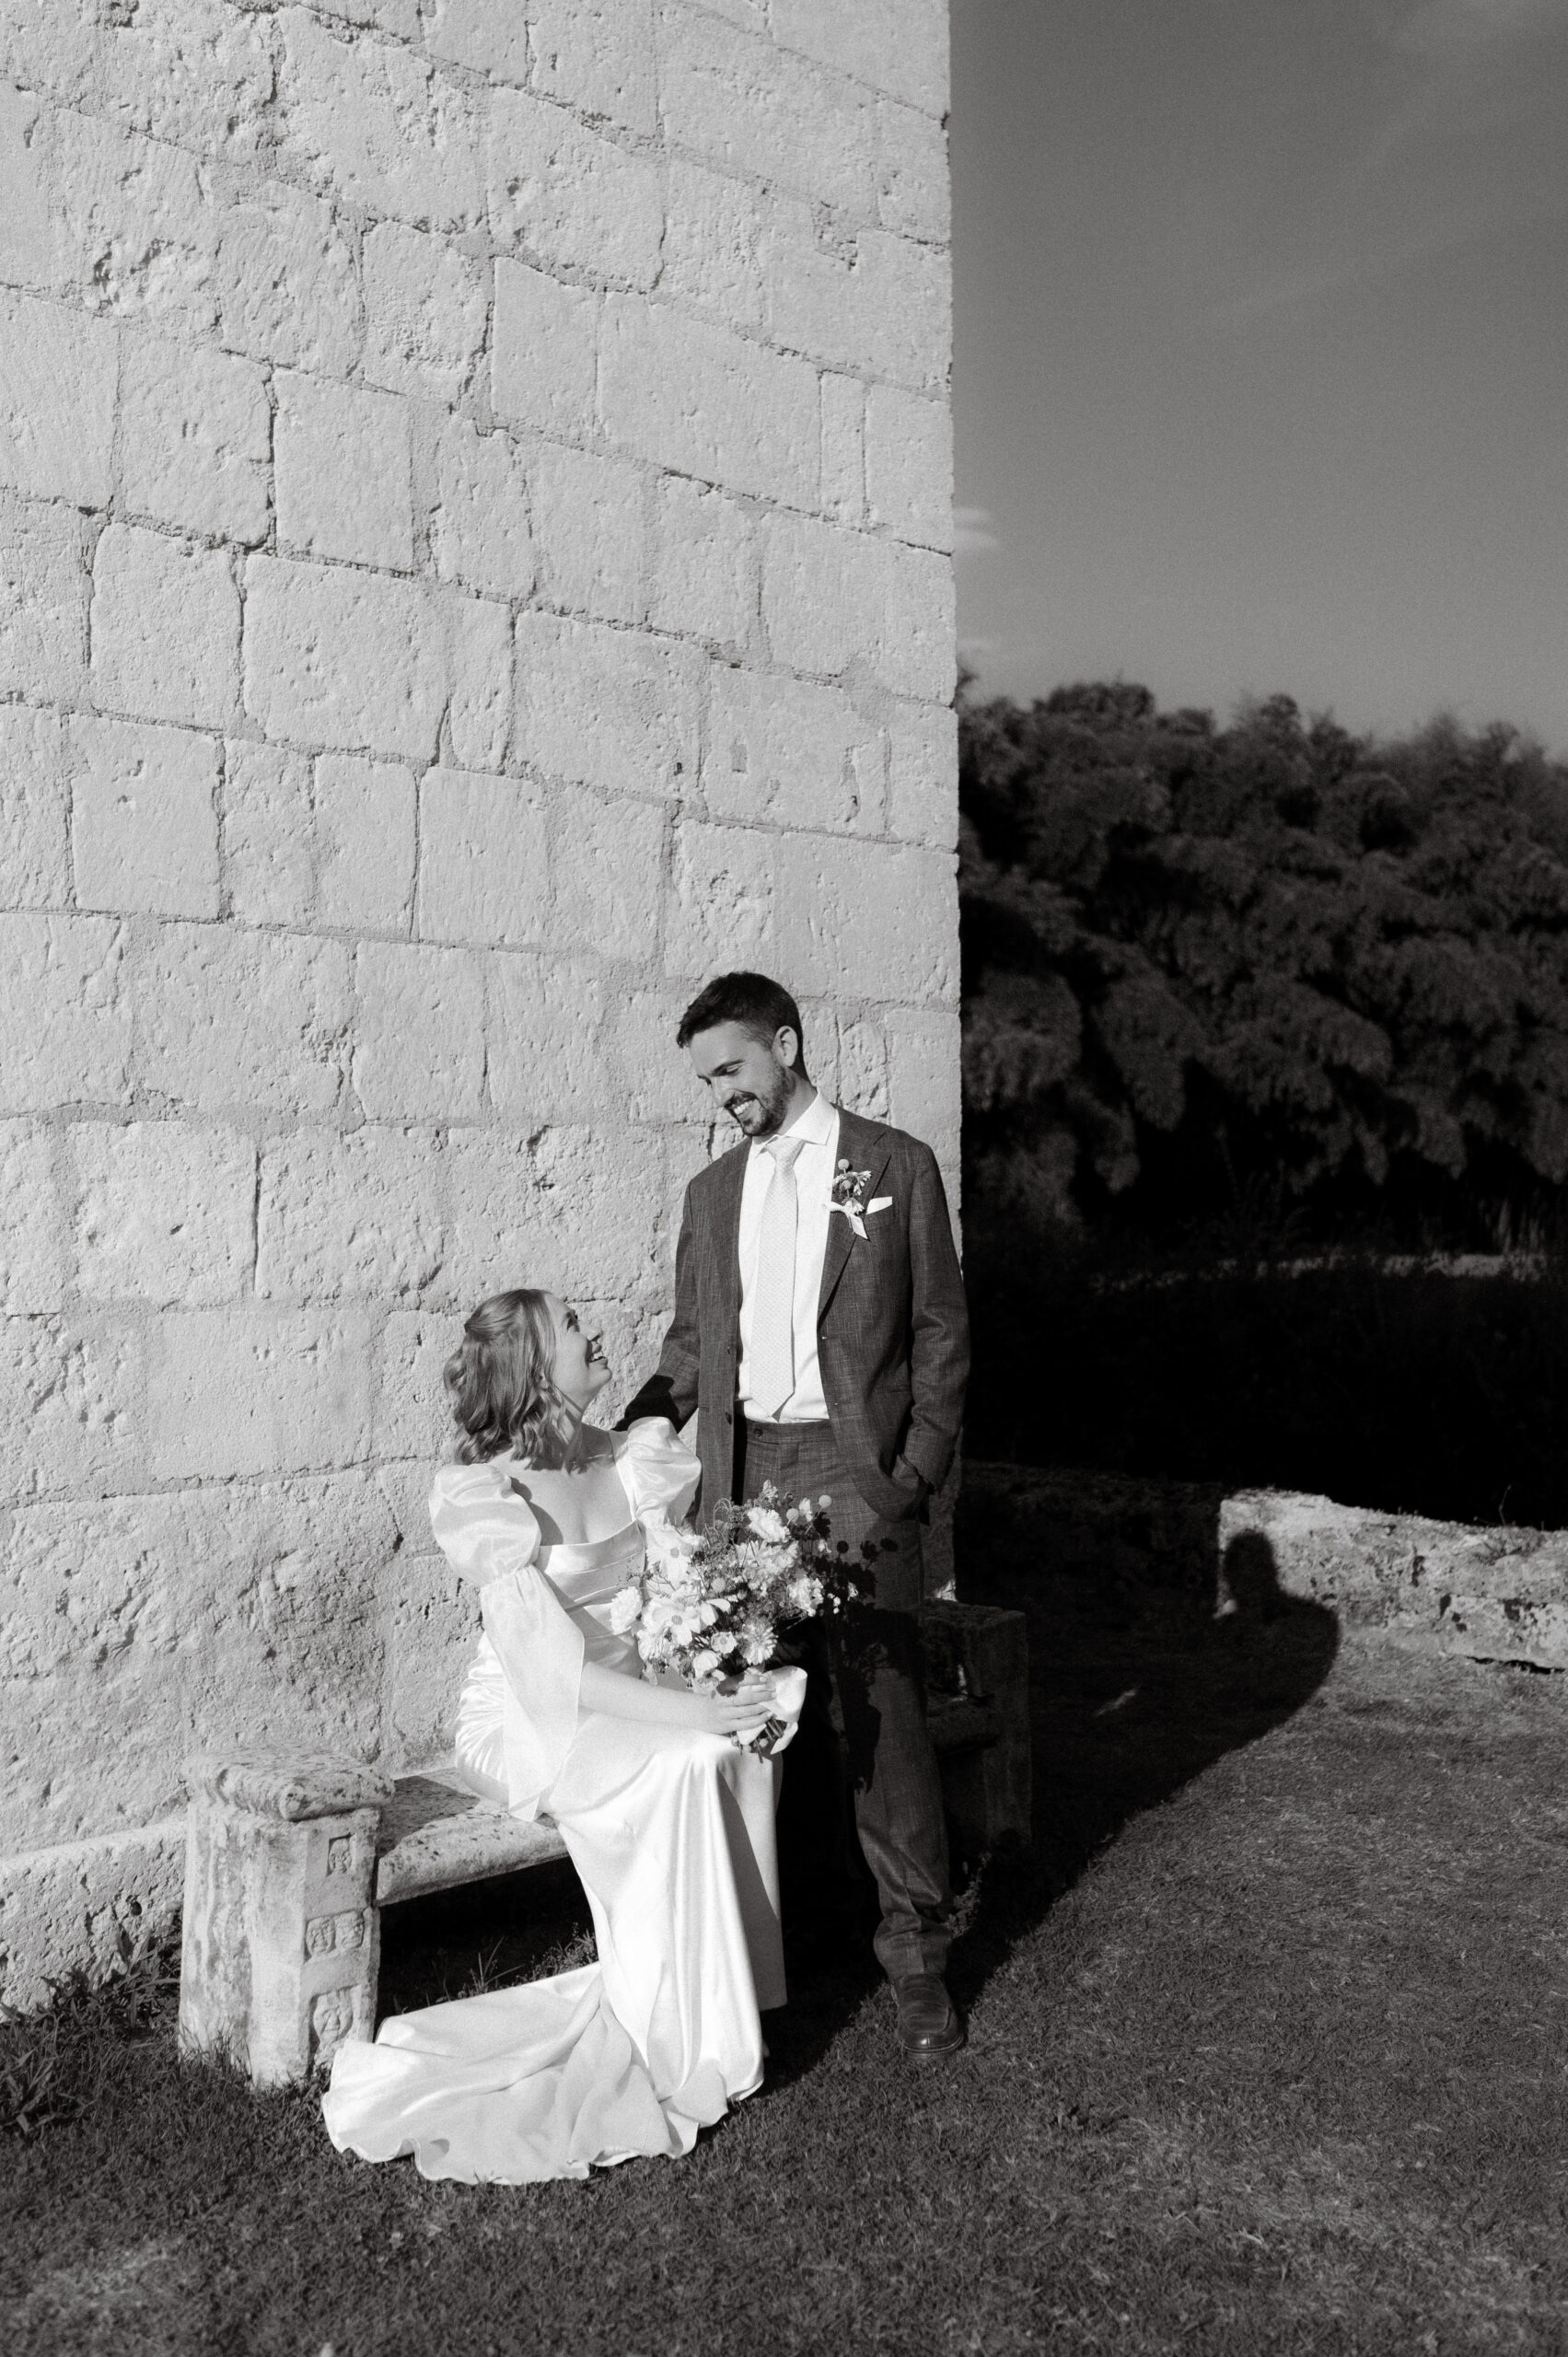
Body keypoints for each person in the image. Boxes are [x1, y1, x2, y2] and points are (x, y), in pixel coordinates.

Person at [322, 1287, 795, 2185]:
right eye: (572, 1325)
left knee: (748, 1728)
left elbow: (665, 1601)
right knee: (692, 1752)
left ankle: (724, 2003)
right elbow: (552, 1676)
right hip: (531, 1715)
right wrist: (693, 1713)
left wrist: (710, 1667)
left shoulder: (633, 1457)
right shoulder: (486, 1497)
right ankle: (674, 2027)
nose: (593, 1331)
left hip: (633, 1689)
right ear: (537, 1369)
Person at [620, 971, 971, 2060]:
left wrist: (908, 1472)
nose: (721, 1094)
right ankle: (756, 1959)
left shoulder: (893, 1166)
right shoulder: (709, 1194)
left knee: (879, 1713)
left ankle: (916, 1958)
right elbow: (691, 1343)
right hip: (744, 1470)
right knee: (751, 1711)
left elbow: (940, 1334)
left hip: (857, 1468)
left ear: (783, 1044)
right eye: (705, 1080)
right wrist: (642, 1419)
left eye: (730, 1068)